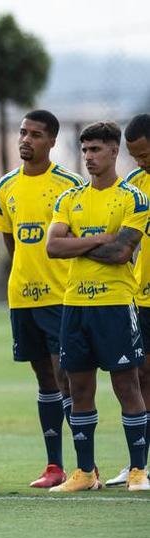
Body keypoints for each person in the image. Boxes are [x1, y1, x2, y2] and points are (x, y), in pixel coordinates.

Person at [46, 121, 149, 493]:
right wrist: (101, 239)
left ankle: (138, 471)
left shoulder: (132, 198)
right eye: (84, 150)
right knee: (79, 385)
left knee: (127, 383)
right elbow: (53, 247)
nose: (88, 157)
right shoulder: (69, 199)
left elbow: (123, 252)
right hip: (75, 303)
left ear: (114, 151)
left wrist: (82, 241)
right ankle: (86, 473)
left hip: (115, 304)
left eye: (96, 150)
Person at [0, 109, 84, 488]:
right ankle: (54, 467)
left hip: (61, 297)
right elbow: (12, 245)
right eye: (22, 132)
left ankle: (85, 467)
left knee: (67, 377)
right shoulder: (6, 186)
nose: (25, 140)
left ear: (51, 141)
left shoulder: (71, 185)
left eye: (35, 134)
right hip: (23, 298)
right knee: (44, 377)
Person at [114, 113, 150, 487]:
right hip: (142, 297)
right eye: (135, 155)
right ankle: (140, 463)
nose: (141, 162)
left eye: (145, 154)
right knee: (141, 375)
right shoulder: (134, 187)